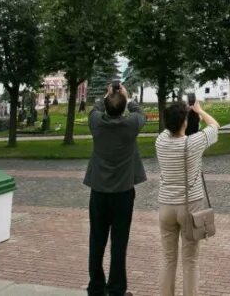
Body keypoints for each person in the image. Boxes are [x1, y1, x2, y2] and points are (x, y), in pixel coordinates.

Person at [84, 83, 146, 296]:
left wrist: (107, 95)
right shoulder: (131, 125)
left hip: (99, 192)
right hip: (123, 193)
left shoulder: (97, 124)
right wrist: (127, 99)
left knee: (96, 240)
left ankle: (96, 288)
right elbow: (140, 113)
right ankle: (117, 289)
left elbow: (95, 109)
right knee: (119, 243)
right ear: (123, 109)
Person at [155, 99, 220, 296]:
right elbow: (214, 126)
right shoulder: (193, 143)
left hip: (166, 206)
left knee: (168, 259)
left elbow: (171, 128)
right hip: (190, 206)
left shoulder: (160, 141)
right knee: (190, 260)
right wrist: (199, 111)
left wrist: (182, 116)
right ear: (184, 122)